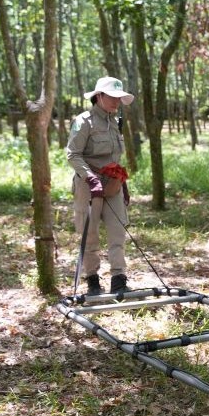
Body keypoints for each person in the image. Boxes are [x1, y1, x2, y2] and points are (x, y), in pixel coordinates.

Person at [66, 76, 135, 296]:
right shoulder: (84, 121)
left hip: (112, 184)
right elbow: (73, 154)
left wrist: (122, 184)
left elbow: (116, 156)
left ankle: (119, 279)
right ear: (99, 96)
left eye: (119, 98)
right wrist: (90, 177)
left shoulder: (115, 122)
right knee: (90, 234)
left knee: (117, 231)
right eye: (112, 98)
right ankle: (93, 280)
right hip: (89, 186)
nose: (116, 102)